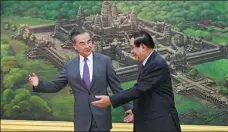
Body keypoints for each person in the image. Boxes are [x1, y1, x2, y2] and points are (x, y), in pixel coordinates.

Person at [28, 29, 133, 132]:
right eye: (82, 44)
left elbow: (116, 87)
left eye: (89, 42)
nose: (88, 46)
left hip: (101, 118)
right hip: (82, 119)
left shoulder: (105, 61)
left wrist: (128, 108)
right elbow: (56, 85)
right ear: (74, 46)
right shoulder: (69, 66)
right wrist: (38, 84)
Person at [92, 31, 181, 132]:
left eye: (132, 47)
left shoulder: (156, 64)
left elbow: (139, 89)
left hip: (160, 125)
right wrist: (135, 112)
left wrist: (111, 100)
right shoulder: (148, 62)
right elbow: (147, 94)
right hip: (150, 123)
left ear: (143, 47)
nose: (131, 51)